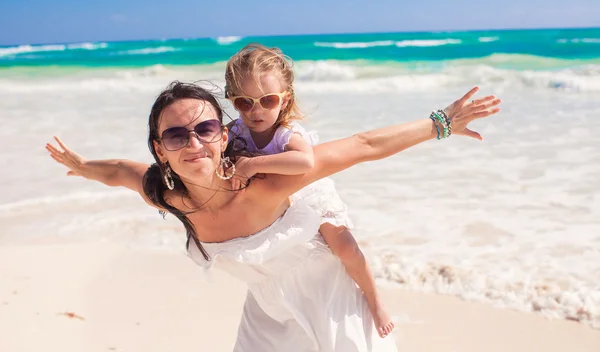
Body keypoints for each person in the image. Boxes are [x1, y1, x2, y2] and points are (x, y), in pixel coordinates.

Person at [46, 81, 501, 352]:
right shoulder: (168, 196)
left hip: (331, 294)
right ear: (159, 149)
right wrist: (83, 166)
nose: (194, 144)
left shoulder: (266, 185)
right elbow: (120, 171)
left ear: (224, 137)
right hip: (266, 308)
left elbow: (361, 146)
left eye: (205, 129)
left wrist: (440, 123)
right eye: (176, 135)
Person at [224, 43, 393, 337]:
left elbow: (305, 161)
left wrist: (252, 165)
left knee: (344, 247)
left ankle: (375, 299)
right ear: (232, 100)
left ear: (285, 99)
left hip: (309, 191)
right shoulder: (235, 131)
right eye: (244, 102)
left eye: (268, 100)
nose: (256, 110)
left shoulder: (287, 133)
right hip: (274, 200)